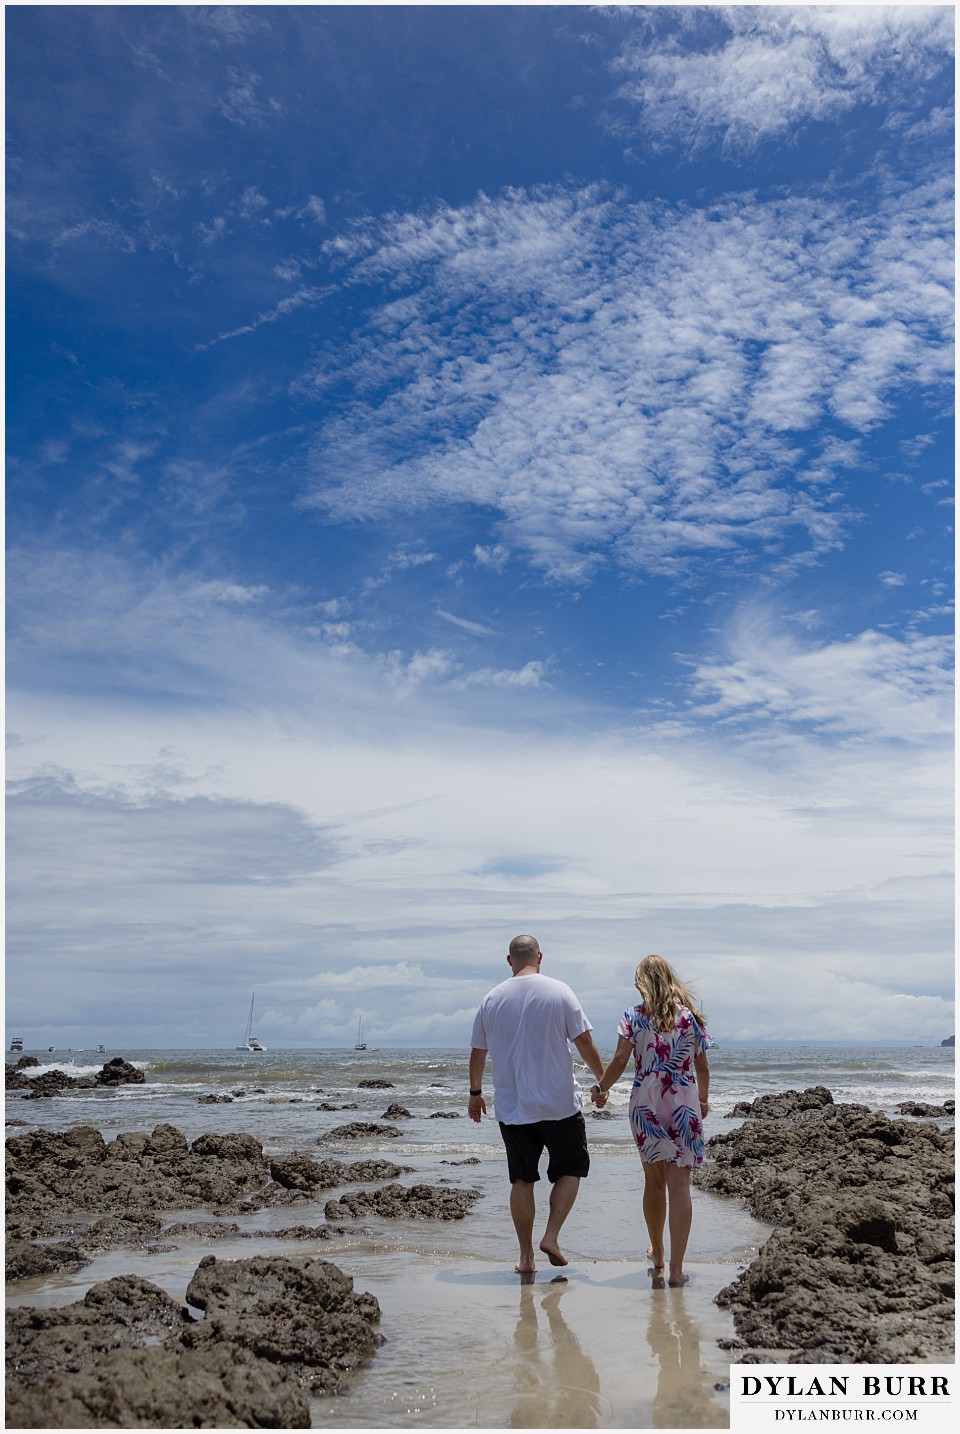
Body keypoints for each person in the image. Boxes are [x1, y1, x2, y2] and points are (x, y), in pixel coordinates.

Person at [468, 934, 606, 1274]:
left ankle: (527, 1258)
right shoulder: (559, 991)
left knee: (522, 1180)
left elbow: (477, 1052)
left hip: (514, 1108)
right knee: (571, 1169)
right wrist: (602, 1081)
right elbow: (584, 1040)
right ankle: (552, 1237)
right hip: (559, 1104)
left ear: (508, 959)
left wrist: (475, 1093)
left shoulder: (492, 999)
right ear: (540, 956)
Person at [591, 953, 711, 1286]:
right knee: (680, 1185)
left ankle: (658, 1253)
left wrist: (601, 1087)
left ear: (642, 983)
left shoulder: (633, 1016)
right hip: (683, 1104)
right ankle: (675, 1270)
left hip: (645, 1103)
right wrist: (703, 1100)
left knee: (654, 1182)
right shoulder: (690, 1019)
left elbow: (618, 1059)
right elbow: (702, 1067)